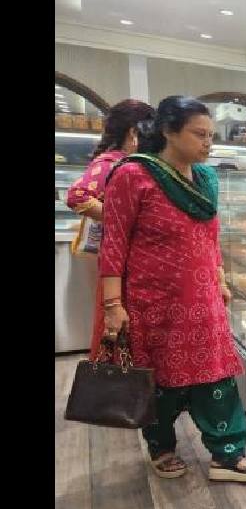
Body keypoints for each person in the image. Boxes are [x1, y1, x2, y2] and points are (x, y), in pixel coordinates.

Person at [99, 96, 246, 482]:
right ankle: (162, 447)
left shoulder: (206, 179)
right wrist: (112, 304)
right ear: (169, 131)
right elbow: (114, 242)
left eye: (211, 135)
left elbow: (211, 237)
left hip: (203, 299)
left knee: (216, 376)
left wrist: (220, 279)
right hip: (154, 301)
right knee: (160, 381)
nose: (209, 143)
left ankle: (227, 453)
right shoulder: (133, 175)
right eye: (199, 134)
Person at [66, 99, 156, 360]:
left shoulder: (127, 162)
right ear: (133, 132)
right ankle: (120, 391)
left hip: (125, 263)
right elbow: (77, 196)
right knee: (118, 330)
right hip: (118, 265)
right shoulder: (113, 163)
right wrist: (122, 219)